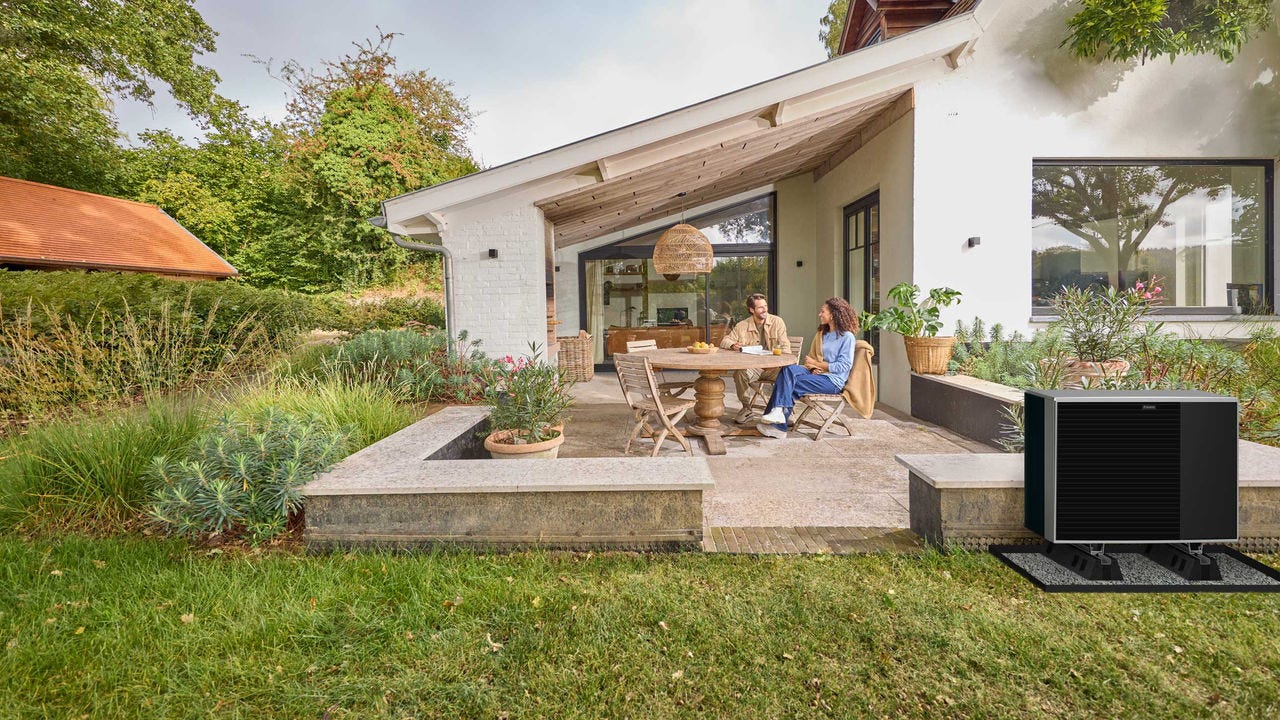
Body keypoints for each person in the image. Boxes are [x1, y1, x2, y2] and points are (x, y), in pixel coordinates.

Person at [757, 297, 858, 439]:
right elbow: (810, 358)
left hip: (832, 381)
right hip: (816, 373)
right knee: (788, 370)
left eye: (823, 311)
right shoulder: (822, 334)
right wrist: (811, 368)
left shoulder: (847, 337)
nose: (819, 314)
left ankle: (778, 424)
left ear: (833, 315)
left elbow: (844, 366)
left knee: (787, 384)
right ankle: (778, 416)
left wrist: (818, 365)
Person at [719, 293, 791, 423]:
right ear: (752, 310)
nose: (764, 310)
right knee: (740, 372)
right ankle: (746, 408)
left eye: (765, 306)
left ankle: (782, 410)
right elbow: (725, 340)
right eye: (760, 308)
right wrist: (733, 345)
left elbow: (786, 347)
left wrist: (778, 363)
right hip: (755, 368)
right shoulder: (742, 325)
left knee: (789, 373)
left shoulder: (777, 322)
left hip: (774, 368)